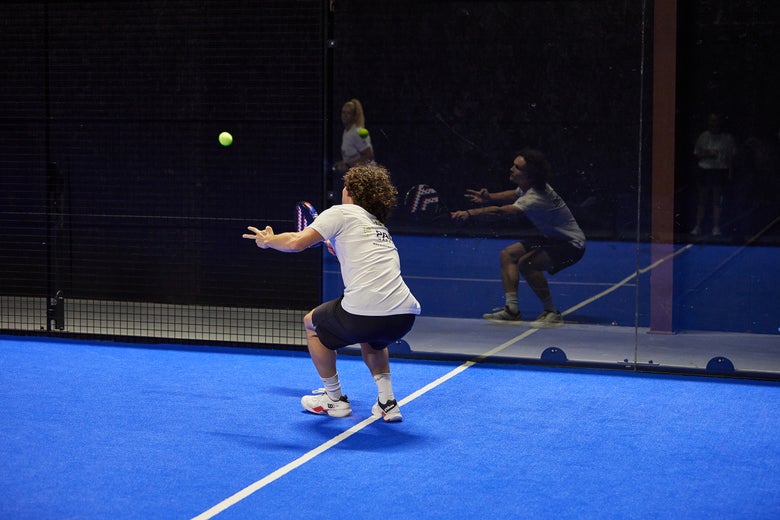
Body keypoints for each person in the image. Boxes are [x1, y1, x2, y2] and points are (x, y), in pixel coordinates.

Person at [242, 164, 420, 422]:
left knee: (311, 324)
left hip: (366, 313)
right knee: (373, 339)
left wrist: (268, 241)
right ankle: (388, 402)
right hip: (404, 316)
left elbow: (295, 242)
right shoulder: (378, 225)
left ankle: (334, 399)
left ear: (352, 192)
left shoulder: (342, 212)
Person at [451, 148, 585, 328]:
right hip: (553, 237)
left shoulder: (536, 197)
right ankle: (512, 311)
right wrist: (489, 197)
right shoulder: (531, 187)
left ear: (528, 175)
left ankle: (552, 312)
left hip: (571, 244)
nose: (511, 169)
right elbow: (514, 194)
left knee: (527, 264)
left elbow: (501, 212)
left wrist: (469, 213)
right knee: (508, 255)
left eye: (517, 167)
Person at [691, 112, 736, 236]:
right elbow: (696, 153)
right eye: (711, 120)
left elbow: (731, 158)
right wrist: (707, 153)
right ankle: (698, 226)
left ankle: (716, 227)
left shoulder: (727, 138)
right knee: (702, 200)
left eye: (715, 120)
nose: (713, 123)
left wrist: (730, 173)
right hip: (704, 170)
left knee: (717, 200)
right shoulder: (703, 137)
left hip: (719, 171)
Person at [334, 98, 375, 174]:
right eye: (343, 112)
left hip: (365, 176)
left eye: (348, 113)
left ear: (354, 115)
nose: (344, 116)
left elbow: (369, 156)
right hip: (354, 176)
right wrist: (343, 163)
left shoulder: (358, 132)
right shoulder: (346, 132)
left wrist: (347, 165)